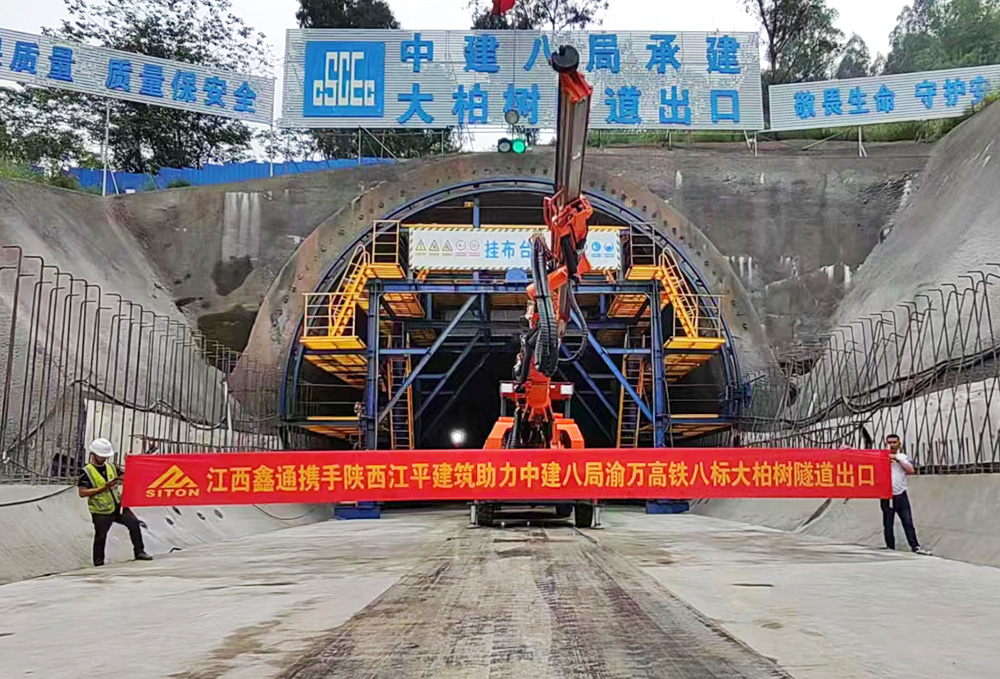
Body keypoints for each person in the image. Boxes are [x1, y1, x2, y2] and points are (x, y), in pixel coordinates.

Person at [77, 438, 153, 566]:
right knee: (101, 536)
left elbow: (126, 476)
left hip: (118, 506)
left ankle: (139, 551)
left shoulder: (111, 467)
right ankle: (98, 563)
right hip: (101, 510)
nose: (104, 458)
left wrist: (129, 463)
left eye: (106, 456)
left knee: (134, 523)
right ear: (94, 454)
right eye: (101, 456)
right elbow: (82, 492)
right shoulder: (87, 471)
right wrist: (103, 488)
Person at [881, 434, 932, 556]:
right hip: (886, 495)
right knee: (888, 523)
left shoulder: (903, 457)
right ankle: (890, 547)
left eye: (894, 442)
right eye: (889, 442)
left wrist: (897, 459)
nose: (891, 445)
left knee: (907, 521)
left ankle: (915, 546)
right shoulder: (881, 457)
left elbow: (910, 470)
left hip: (900, 494)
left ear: (899, 444)